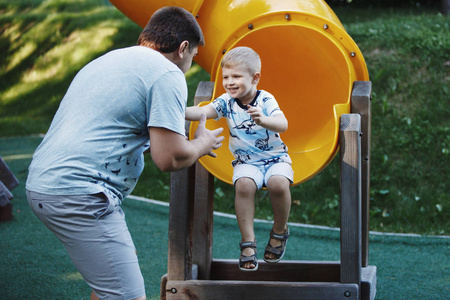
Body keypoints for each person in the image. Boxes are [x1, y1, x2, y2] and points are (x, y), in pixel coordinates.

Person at [26, 7, 224, 300]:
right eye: (194, 57)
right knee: (127, 295)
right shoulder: (167, 72)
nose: (190, 64)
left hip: (45, 183)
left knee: (108, 284)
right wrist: (203, 144)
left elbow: (132, 113)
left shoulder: (111, 60)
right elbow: (168, 157)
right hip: (81, 194)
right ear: (183, 48)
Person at [185, 46, 293, 271]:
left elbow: (283, 124)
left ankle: (280, 230)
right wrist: (176, 110)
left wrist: (263, 120)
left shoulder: (265, 99)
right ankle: (248, 243)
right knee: (243, 186)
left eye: (236, 76)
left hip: (275, 158)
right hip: (246, 161)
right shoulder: (226, 102)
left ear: (255, 78)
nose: (229, 82)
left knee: (278, 184)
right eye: (226, 77)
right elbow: (203, 111)